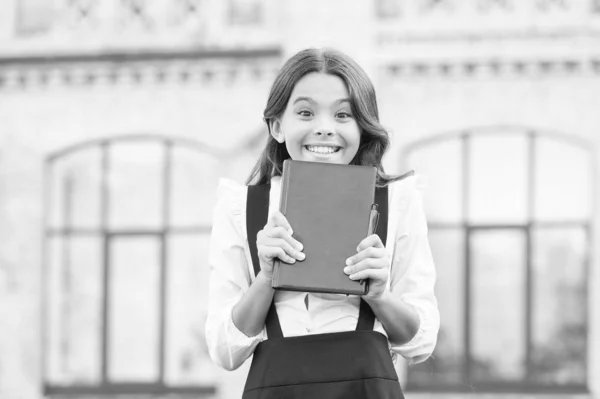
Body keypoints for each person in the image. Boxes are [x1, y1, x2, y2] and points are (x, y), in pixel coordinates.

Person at [205, 48, 439, 398]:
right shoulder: (241, 207)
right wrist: (266, 279)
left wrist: (381, 295)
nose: (325, 129)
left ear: (362, 126)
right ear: (277, 126)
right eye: (305, 112)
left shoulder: (398, 203)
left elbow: (421, 344)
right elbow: (225, 351)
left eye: (344, 114)